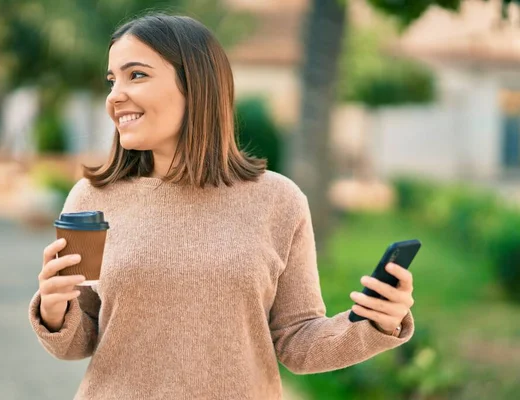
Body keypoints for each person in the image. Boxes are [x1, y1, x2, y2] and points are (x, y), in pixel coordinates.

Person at [28, 13, 415, 400]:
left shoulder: (278, 201)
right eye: (112, 80)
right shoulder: (91, 199)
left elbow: (297, 342)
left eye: (137, 75)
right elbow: (76, 342)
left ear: (195, 85)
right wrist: (53, 307)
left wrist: (373, 323)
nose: (115, 95)